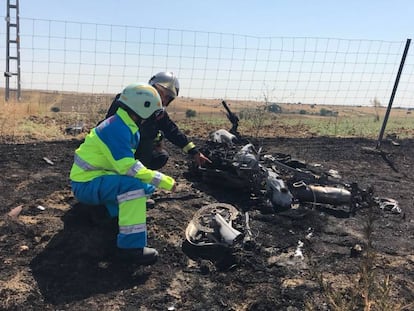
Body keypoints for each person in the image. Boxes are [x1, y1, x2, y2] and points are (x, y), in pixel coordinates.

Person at [70, 82, 176, 265]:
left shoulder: (121, 124)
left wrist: (148, 185)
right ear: (143, 108)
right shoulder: (117, 129)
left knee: (141, 187)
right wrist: (161, 180)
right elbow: (128, 167)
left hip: (92, 180)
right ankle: (131, 248)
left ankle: (105, 211)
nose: (156, 116)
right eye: (156, 112)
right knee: (134, 187)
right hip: (87, 185)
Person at [104, 72, 211, 170]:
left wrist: (195, 152)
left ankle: (135, 176)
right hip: (113, 149)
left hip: (135, 153)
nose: (163, 99)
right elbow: (111, 127)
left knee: (159, 156)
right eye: (160, 93)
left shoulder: (159, 114)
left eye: (168, 97)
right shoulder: (126, 100)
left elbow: (173, 132)